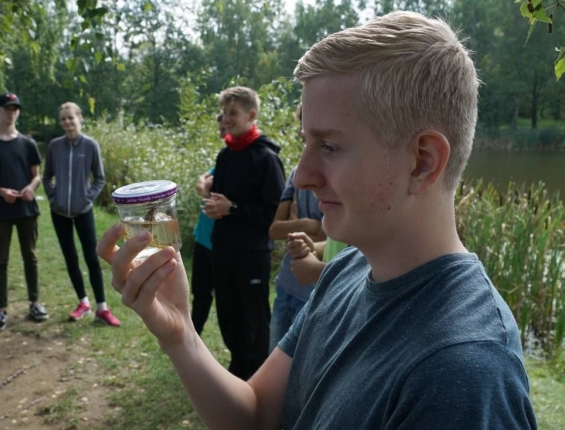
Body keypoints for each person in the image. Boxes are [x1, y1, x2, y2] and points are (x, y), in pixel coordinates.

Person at [97, 11, 537, 429]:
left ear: (422, 162)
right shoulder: (348, 269)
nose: (303, 176)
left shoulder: (464, 373)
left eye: (329, 146)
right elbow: (253, 416)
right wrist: (180, 333)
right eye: (307, 141)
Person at [199, 86, 285, 380]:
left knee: (255, 320)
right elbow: (221, 202)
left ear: (252, 115)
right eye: (224, 113)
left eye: (233, 113)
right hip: (222, 250)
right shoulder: (225, 155)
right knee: (229, 316)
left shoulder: (266, 158)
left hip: (252, 254)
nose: (227, 119)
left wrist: (232, 209)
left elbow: (273, 214)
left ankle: (261, 379)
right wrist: (213, 206)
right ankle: (238, 370)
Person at [0, 93, 48, 332]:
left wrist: (30, 187)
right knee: (0, 260)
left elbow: (36, 175)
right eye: (7, 108)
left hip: (27, 210)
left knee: (31, 257)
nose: (11, 112)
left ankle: (35, 303)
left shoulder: (28, 143)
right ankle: (1, 310)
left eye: (15, 108)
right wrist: (1, 191)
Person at [42, 102, 120, 326]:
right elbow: (47, 177)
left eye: (71, 118)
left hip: (83, 211)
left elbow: (100, 179)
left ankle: (102, 308)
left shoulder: (90, 145)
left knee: (92, 257)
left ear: (79, 118)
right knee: (70, 257)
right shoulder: (55, 146)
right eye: (63, 119)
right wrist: (53, 196)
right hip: (59, 213)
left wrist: (87, 198)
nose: (67, 122)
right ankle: (83, 302)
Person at [268, 106, 326, 352]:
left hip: (314, 294)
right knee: (274, 359)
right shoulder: (296, 174)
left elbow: (333, 236)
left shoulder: (335, 180)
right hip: (286, 285)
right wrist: (308, 224)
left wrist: (300, 223)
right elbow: (274, 230)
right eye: (304, 139)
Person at [190, 113, 226, 335]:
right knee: (200, 293)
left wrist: (206, 186)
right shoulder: (222, 159)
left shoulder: (235, 162)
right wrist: (205, 185)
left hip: (221, 245)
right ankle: (193, 335)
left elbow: (207, 186)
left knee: (223, 297)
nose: (223, 134)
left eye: (226, 129)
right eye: (221, 130)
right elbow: (201, 183)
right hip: (203, 238)